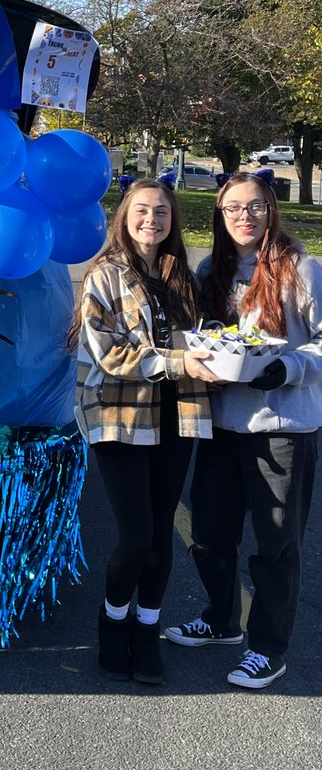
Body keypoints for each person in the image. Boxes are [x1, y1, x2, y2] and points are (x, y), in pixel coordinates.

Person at [165, 173, 322, 689]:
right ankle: (220, 620)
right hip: (222, 424)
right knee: (209, 534)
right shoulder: (213, 268)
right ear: (219, 215)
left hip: (283, 427)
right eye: (233, 209)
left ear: (271, 210)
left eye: (254, 207)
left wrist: (289, 369)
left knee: (276, 546)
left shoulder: (301, 269)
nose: (244, 217)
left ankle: (268, 648)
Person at [71, 179, 221, 684]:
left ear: (173, 219)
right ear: (125, 216)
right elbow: (107, 353)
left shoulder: (184, 278)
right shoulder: (104, 275)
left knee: (161, 537)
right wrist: (181, 361)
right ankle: (112, 623)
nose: (151, 220)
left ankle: (147, 629)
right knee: (135, 535)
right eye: (142, 210)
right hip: (118, 415)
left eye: (161, 211)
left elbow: (205, 340)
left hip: (179, 416)